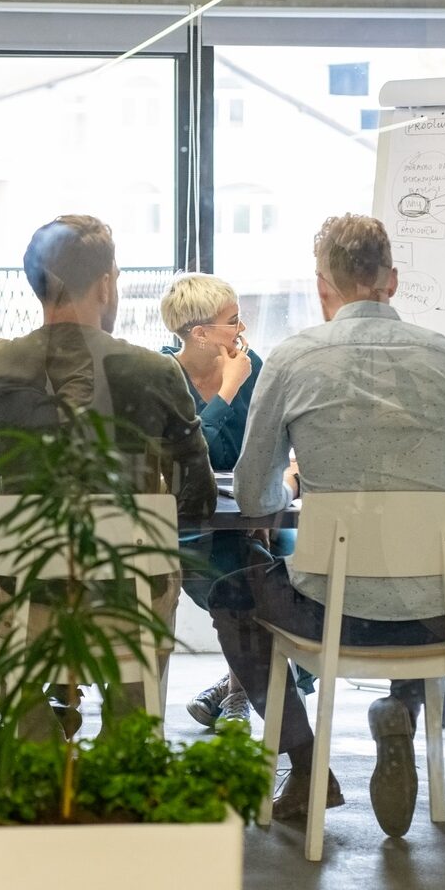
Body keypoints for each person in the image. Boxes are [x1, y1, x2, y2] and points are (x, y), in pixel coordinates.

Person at [225, 213, 445, 840]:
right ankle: (399, 705)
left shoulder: (290, 359)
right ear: (391, 281)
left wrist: (293, 483)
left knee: (230, 595)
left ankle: (306, 759)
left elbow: (252, 493)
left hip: (330, 614)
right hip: (437, 615)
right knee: (419, 581)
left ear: (323, 287)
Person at [0, 215, 217, 733]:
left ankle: (32, 726)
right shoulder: (155, 372)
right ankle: (128, 727)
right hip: (128, 599)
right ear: (106, 283)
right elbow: (197, 498)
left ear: (35, 283)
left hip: (20, 597)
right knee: (159, 566)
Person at [155, 273, 289, 730]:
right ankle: (239, 691)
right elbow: (187, 458)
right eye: (232, 321)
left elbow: (275, 445)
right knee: (240, 578)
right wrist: (228, 389)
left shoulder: (253, 366)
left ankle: (234, 688)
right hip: (187, 522)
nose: (242, 331)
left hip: (252, 513)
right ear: (200, 333)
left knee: (281, 569)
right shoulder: (161, 375)